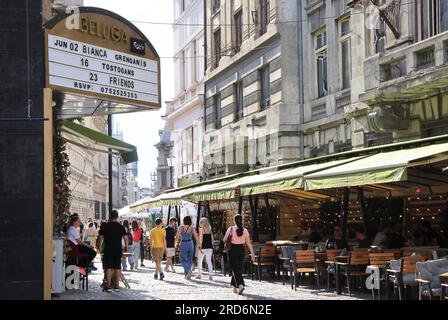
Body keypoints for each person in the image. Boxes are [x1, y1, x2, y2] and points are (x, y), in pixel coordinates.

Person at [223, 214, 256, 295]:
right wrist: (252, 254)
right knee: (237, 268)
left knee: (235, 269)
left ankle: (240, 285)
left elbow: (224, 239)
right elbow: (249, 243)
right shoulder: (245, 230)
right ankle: (234, 286)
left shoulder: (231, 229)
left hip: (232, 250)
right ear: (241, 220)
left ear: (234, 221)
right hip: (242, 250)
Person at [98, 210, 128, 292]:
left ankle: (108, 285)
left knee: (109, 267)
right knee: (117, 267)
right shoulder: (121, 227)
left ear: (110, 216)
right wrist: (126, 247)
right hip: (118, 249)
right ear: (117, 217)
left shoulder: (105, 226)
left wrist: (100, 247)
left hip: (108, 249)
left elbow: (101, 238)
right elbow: (126, 238)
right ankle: (117, 286)